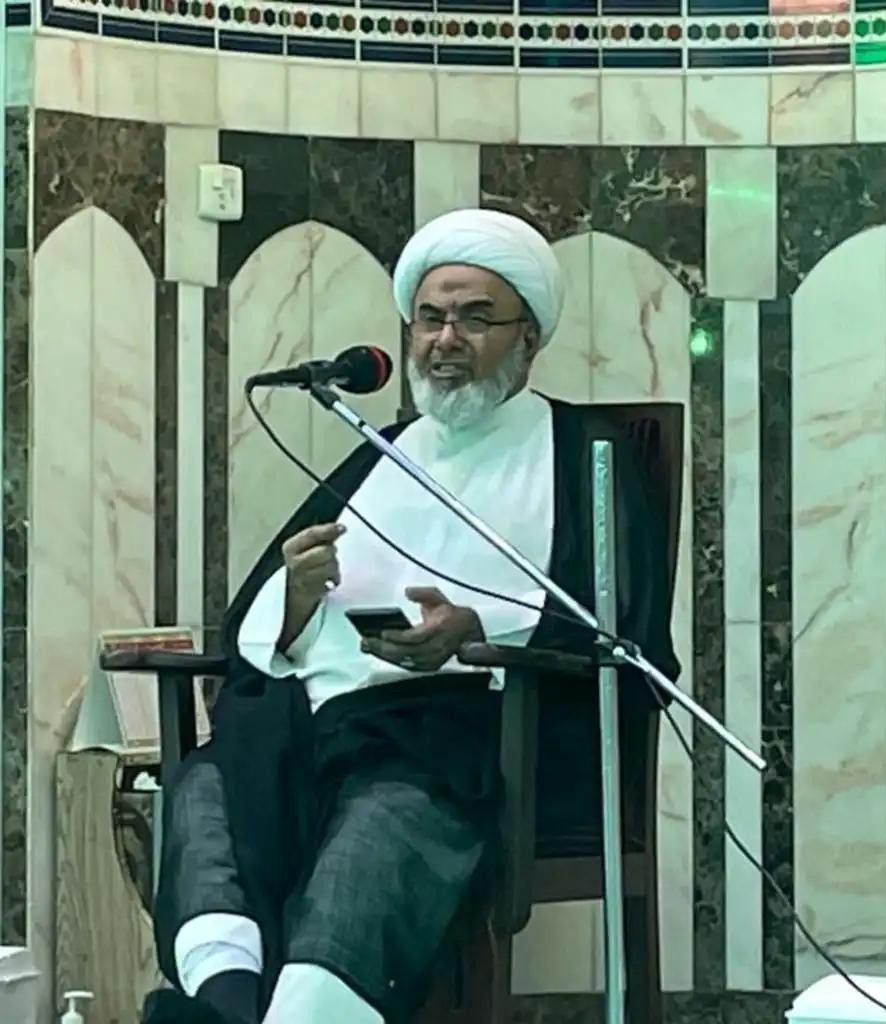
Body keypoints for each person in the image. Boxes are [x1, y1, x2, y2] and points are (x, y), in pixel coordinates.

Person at [143, 208, 680, 1024]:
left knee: (384, 810)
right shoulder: (382, 449)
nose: (445, 340)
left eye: (475, 319)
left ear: (529, 338)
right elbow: (256, 627)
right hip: (323, 727)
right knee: (208, 783)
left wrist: (476, 632)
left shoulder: (585, 452)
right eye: (430, 319)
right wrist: (295, 598)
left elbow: (623, 631)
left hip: (471, 737)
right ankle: (225, 1001)